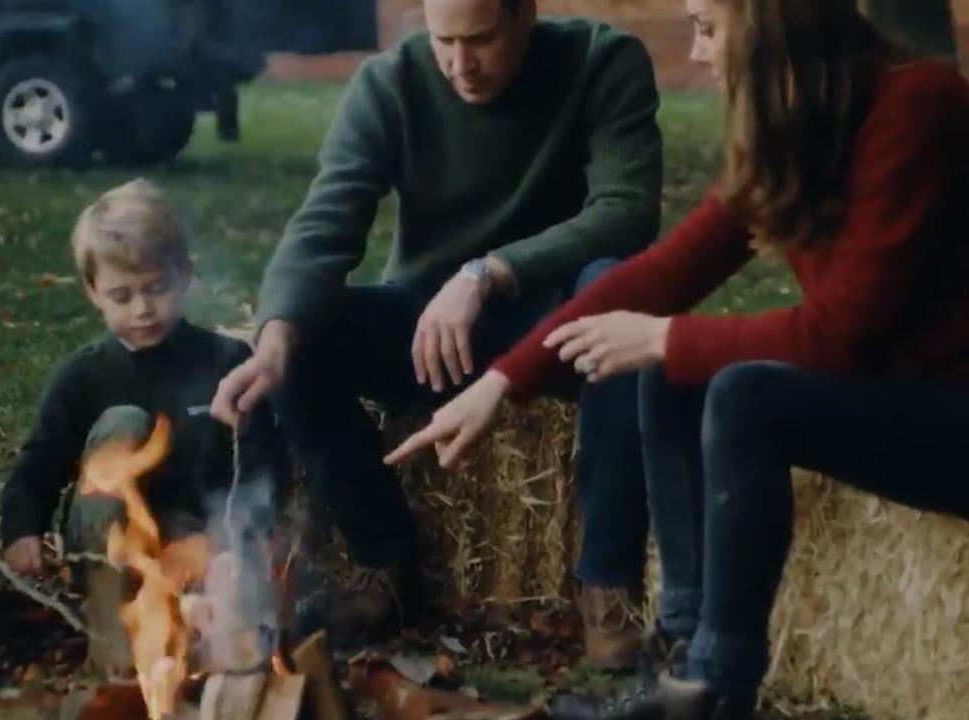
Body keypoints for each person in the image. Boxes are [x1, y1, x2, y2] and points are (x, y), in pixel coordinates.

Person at [386, 0, 969, 716]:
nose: (697, 53)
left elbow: (844, 336)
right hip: (911, 397)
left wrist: (665, 337)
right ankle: (682, 650)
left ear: (772, 25)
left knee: (739, 392)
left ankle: (715, 687)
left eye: (706, 26)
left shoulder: (918, 108)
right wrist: (503, 380)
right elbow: (664, 271)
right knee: (679, 369)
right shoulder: (798, 128)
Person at [211, 0, 664, 655]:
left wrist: (487, 273)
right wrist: (274, 338)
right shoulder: (388, 82)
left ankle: (609, 586)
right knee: (305, 337)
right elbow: (326, 222)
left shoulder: (603, 61)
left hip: (558, 321)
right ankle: (382, 563)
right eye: (443, 39)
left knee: (619, 294)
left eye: (479, 40)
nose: (459, 64)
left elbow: (626, 213)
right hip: (430, 330)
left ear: (525, 16)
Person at [0, 179, 286, 673]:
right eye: (122, 294)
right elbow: (40, 461)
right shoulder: (84, 375)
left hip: (200, 537)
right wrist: (21, 528)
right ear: (93, 292)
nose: (142, 308)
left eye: (156, 288)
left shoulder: (226, 361)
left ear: (185, 275)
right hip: (109, 537)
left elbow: (263, 459)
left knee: (243, 628)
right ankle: (114, 633)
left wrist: (248, 536)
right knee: (123, 423)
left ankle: (203, 648)